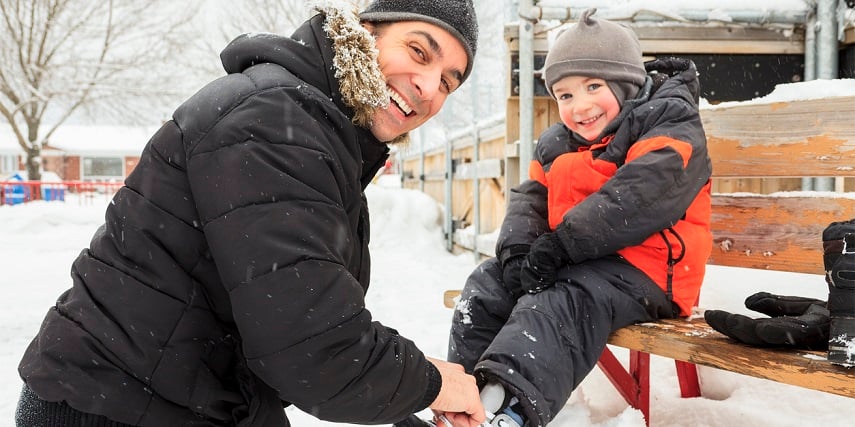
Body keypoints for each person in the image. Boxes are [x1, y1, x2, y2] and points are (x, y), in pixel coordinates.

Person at [16, 1, 486, 426]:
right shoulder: (275, 122)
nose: (427, 88)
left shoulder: (319, 132)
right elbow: (315, 351)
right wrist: (434, 383)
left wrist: (408, 403)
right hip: (111, 402)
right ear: (366, 31)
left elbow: (289, 325)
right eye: (420, 52)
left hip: (173, 395)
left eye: (448, 81)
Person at [445, 8, 712, 426]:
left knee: (563, 297)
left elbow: (640, 195)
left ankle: (510, 410)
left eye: (593, 86)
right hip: (581, 263)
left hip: (651, 272)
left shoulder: (669, 120)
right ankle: (463, 402)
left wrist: (561, 245)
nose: (580, 105)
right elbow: (529, 200)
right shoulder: (557, 143)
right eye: (565, 95)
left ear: (626, 85)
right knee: (489, 283)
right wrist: (518, 254)